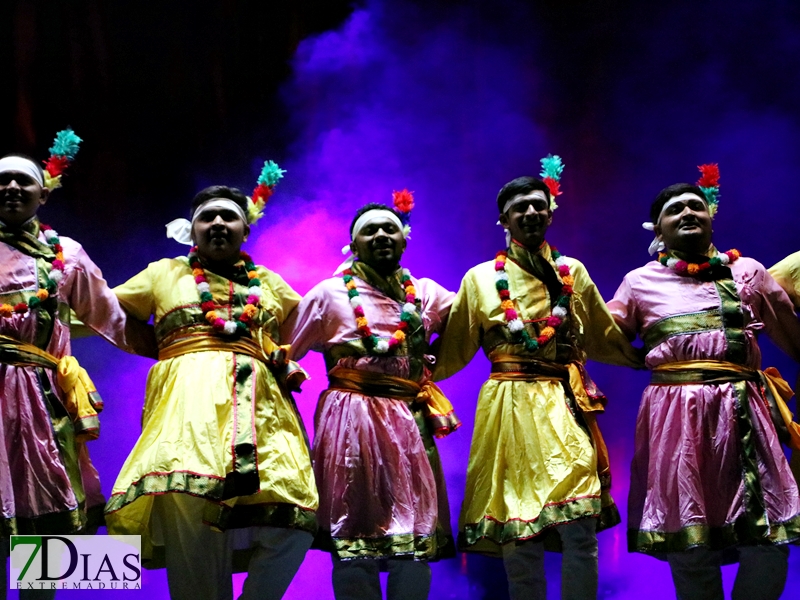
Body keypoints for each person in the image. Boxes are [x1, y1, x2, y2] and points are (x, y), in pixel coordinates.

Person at [104, 162, 318, 600]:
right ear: (192, 229)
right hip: (188, 419)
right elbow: (102, 310)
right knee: (193, 524)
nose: (217, 223)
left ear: (245, 230)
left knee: (295, 518)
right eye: (207, 217)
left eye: (228, 216)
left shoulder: (270, 284)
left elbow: (317, 326)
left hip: (262, 420)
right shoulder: (164, 273)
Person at [434, 156, 642, 600]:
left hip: (564, 400)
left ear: (550, 212)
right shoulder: (480, 279)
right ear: (504, 220)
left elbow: (604, 334)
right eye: (519, 208)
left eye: (537, 205)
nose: (529, 213)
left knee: (580, 526)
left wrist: (652, 358)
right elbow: (452, 349)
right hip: (508, 404)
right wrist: (399, 373)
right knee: (518, 532)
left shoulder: (573, 272)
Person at [608, 165, 800, 600]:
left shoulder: (747, 271)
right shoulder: (639, 282)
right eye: (675, 210)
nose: (688, 213)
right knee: (691, 540)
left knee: (769, 537)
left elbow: (791, 333)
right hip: (676, 419)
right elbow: (603, 334)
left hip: (745, 413)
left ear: (712, 216)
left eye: (696, 205)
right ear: (658, 227)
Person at [0, 132, 154, 599]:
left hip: (42, 404)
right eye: (0, 181)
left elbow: (110, 315)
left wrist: (184, 344)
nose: (9, 188)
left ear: (43, 192)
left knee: (46, 525)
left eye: (21, 181)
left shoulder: (65, 254)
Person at [281, 191, 457, 600]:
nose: (380, 235)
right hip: (350, 420)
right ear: (353, 244)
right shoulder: (328, 294)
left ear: (404, 238)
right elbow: (283, 348)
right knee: (354, 536)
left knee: (412, 539)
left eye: (389, 228)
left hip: (409, 420)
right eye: (369, 230)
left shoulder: (427, 293)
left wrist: (433, 364)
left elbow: (472, 320)